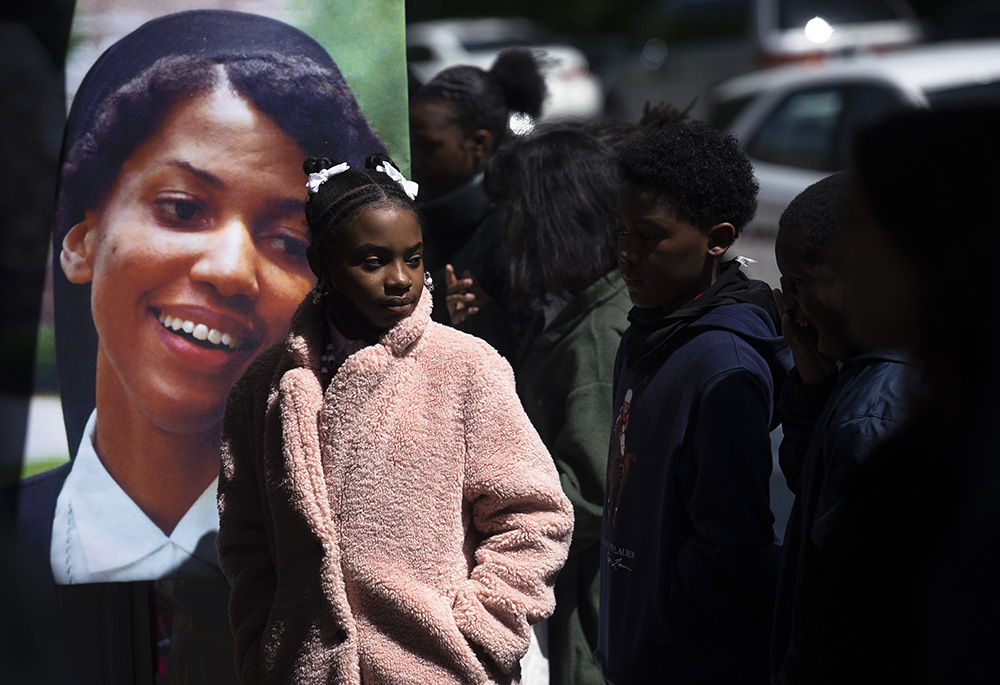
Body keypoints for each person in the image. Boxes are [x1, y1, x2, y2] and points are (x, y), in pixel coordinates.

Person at [11, 9, 385, 584]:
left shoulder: (381, 558)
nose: (231, 270)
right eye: (182, 209)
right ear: (81, 241)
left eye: (290, 242)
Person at [216, 153, 574, 684]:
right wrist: (263, 644)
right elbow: (245, 538)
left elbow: (535, 516)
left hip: (440, 668)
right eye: (373, 260)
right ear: (321, 263)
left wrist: (481, 633)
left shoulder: (465, 367)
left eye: (414, 257)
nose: (400, 279)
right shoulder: (263, 388)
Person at [802, 105, 1000, 683]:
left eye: (861, 225)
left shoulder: (938, 486)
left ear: (933, 242)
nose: (839, 254)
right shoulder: (928, 452)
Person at [595, 120, 791, 684]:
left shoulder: (722, 362)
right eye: (621, 232)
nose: (627, 254)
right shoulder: (645, 333)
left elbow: (731, 540)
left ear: (718, 238)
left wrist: (664, 626)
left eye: (650, 236)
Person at [478, 126, 632, 685]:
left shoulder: (597, 336)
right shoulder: (576, 312)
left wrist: (478, 501)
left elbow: (589, 492)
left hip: (592, 609)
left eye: (517, 209)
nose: (508, 227)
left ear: (553, 215)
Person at [767, 171, 919, 684]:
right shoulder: (858, 377)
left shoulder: (874, 414)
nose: (790, 306)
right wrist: (810, 373)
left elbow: (844, 607)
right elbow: (810, 480)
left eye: (802, 284)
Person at [409, 48, 545, 353]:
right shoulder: (425, 214)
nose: (414, 161)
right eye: (410, 145)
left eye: (428, 147)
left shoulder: (509, 228)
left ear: (479, 144)